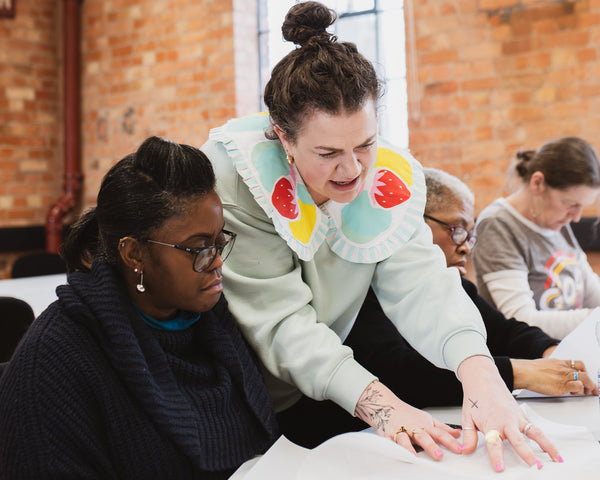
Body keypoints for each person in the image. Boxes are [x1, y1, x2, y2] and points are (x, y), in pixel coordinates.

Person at [201, 1, 560, 472]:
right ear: (282, 138)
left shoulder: (389, 174)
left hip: (327, 386)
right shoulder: (235, 177)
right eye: (328, 152)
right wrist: (385, 409)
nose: (352, 170)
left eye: (366, 144)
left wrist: (482, 377)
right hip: (235, 397)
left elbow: (426, 287)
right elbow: (283, 326)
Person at [0, 137, 278, 479]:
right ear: (134, 254)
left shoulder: (215, 324)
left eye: (220, 242)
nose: (217, 262)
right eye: (199, 249)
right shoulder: (53, 364)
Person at [347, 167, 598, 409]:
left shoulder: (457, 287)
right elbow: (403, 375)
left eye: (469, 235)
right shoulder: (362, 291)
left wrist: (552, 353)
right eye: (456, 230)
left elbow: (505, 331)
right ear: (414, 227)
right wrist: (518, 373)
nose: (465, 247)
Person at [472, 136, 600, 339]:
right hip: (534, 362)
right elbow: (521, 321)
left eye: (582, 206)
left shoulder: (557, 221)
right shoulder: (498, 224)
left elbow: (592, 291)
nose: (576, 217)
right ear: (537, 182)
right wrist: (594, 319)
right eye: (571, 204)